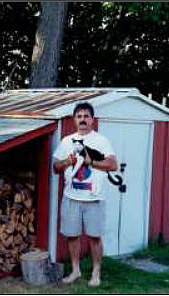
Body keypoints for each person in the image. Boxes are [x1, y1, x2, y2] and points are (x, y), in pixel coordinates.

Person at [53, 102, 118, 287]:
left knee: (94, 237)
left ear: (92, 120)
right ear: (74, 120)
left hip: (94, 199)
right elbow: (56, 168)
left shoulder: (101, 141)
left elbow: (113, 165)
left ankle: (96, 273)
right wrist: (68, 160)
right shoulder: (66, 141)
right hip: (71, 197)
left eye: (86, 116)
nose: (83, 119)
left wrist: (91, 162)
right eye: (79, 116)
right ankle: (75, 270)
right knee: (72, 236)